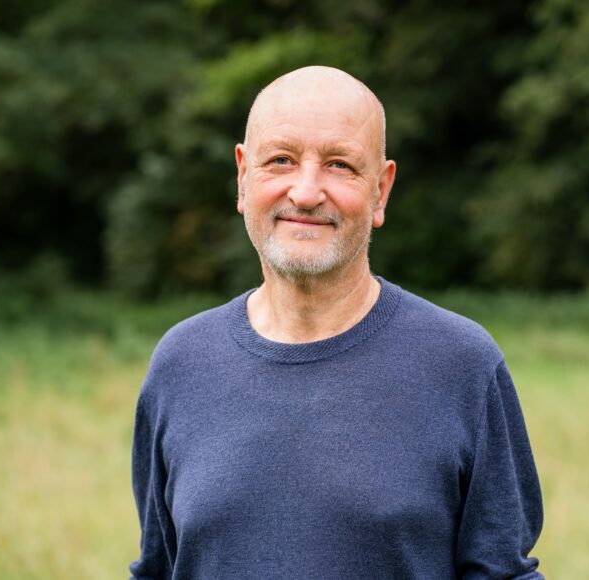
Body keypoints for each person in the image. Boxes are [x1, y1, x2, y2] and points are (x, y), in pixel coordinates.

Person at [130, 66, 544, 579]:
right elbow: (158, 568)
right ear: (242, 177)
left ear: (381, 191)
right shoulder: (181, 365)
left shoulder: (461, 365)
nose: (306, 193)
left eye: (339, 165)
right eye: (281, 160)